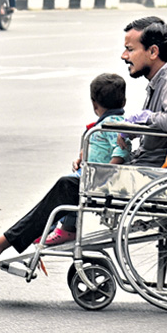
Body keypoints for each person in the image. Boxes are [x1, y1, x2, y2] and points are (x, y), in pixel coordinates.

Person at [0, 16, 167, 281]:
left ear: (152, 51)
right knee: (70, 184)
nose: (124, 55)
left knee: (67, 186)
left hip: (150, 179)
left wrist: (142, 120)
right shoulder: (158, 82)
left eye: (130, 49)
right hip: (144, 171)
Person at [44, 73, 130, 246]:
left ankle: (58, 229)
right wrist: (80, 160)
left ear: (94, 103)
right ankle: (59, 228)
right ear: (124, 101)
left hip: (100, 177)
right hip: (90, 170)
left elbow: (121, 151)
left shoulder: (113, 124)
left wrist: (105, 172)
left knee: (67, 189)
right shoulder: (106, 123)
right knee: (70, 187)